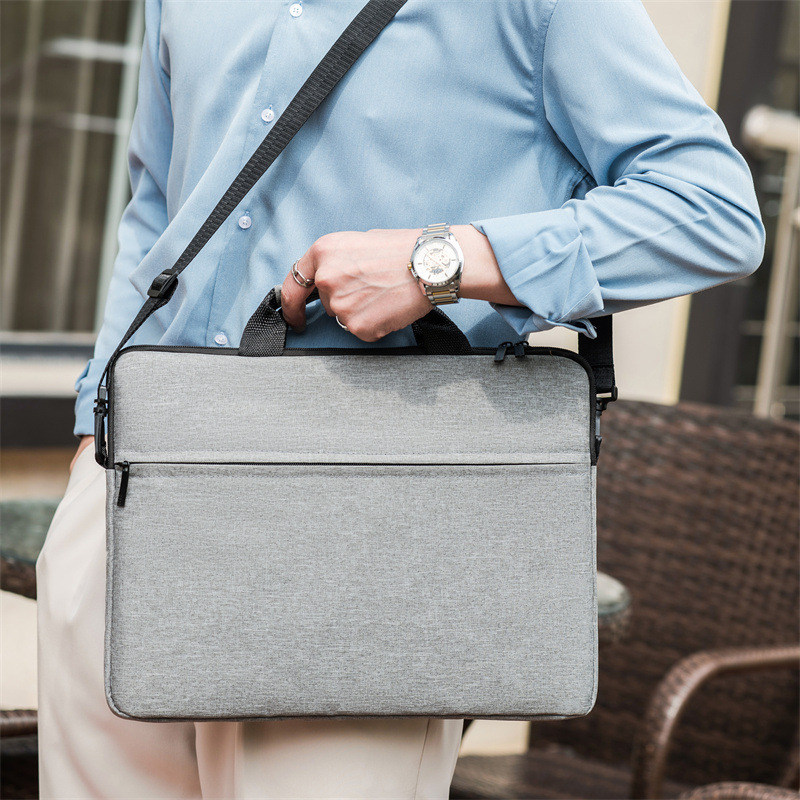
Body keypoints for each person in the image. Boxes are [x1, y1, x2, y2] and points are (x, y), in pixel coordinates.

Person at [36, 0, 765, 797]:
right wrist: (93, 434)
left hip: (365, 525)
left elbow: (713, 210)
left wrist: (437, 263)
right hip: (130, 492)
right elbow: (154, 208)